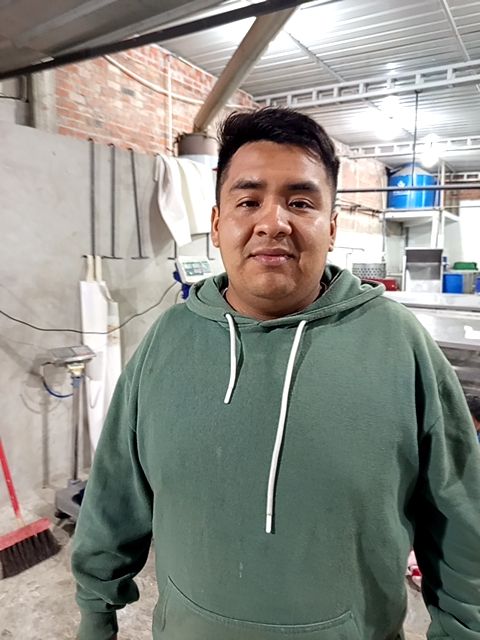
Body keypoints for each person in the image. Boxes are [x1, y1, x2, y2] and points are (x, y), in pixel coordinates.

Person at [72, 107, 480, 640]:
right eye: (248, 201)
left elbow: (461, 525)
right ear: (216, 225)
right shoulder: (165, 344)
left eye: (301, 202)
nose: (273, 223)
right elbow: (112, 499)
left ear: (331, 227)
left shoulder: (399, 345)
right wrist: (95, 615)